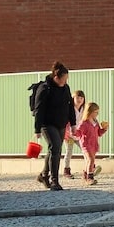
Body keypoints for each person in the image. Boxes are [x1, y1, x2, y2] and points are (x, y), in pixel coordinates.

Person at [29, 62, 77, 190]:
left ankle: (44, 175)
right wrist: (37, 129)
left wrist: (73, 124)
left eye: (67, 79)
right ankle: (54, 181)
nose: (65, 81)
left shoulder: (65, 88)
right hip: (47, 124)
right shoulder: (45, 89)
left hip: (61, 124)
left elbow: (70, 106)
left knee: (54, 150)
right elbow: (39, 110)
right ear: (56, 77)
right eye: (64, 79)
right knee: (55, 148)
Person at [75, 101, 108, 184]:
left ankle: (85, 176)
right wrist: (74, 132)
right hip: (86, 144)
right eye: (95, 112)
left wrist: (104, 129)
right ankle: (90, 177)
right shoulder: (84, 123)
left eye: (97, 112)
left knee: (88, 161)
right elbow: (79, 132)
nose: (97, 114)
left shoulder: (95, 122)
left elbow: (99, 133)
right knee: (91, 160)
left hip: (94, 144)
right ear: (89, 112)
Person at [62, 90, 88, 180]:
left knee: (85, 150)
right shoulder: (69, 108)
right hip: (69, 134)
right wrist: (66, 133)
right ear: (73, 98)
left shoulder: (84, 109)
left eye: (81, 98)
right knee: (69, 152)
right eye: (77, 98)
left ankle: (89, 169)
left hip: (79, 134)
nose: (79, 100)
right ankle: (66, 170)